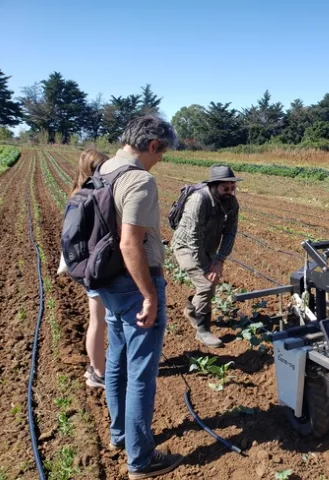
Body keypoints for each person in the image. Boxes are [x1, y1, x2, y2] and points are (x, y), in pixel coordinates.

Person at [94, 116, 183, 478]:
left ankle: (119, 435)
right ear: (153, 146)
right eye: (163, 152)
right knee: (141, 374)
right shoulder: (139, 180)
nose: (162, 159)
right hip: (134, 284)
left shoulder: (104, 169)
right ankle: (141, 460)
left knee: (117, 359)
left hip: (107, 281)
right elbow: (130, 243)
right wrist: (149, 295)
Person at [171, 165, 241, 348]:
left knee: (210, 281)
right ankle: (202, 331)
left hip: (208, 246)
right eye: (225, 188)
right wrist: (207, 266)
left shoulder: (232, 203)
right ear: (214, 186)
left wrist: (219, 261)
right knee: (207, 284)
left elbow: (230, 233)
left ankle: (191, 309)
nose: (230, 192)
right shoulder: (198, 200)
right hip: (186, 247)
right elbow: (193, 237)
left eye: (233, 188)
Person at [57, 148, 109, 389]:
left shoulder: (78, 193)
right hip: (97, 267)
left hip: (86, 266)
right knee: (99, 321)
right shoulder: (95, 195)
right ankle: (98, 372)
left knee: (98, 320)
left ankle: (95, 367)